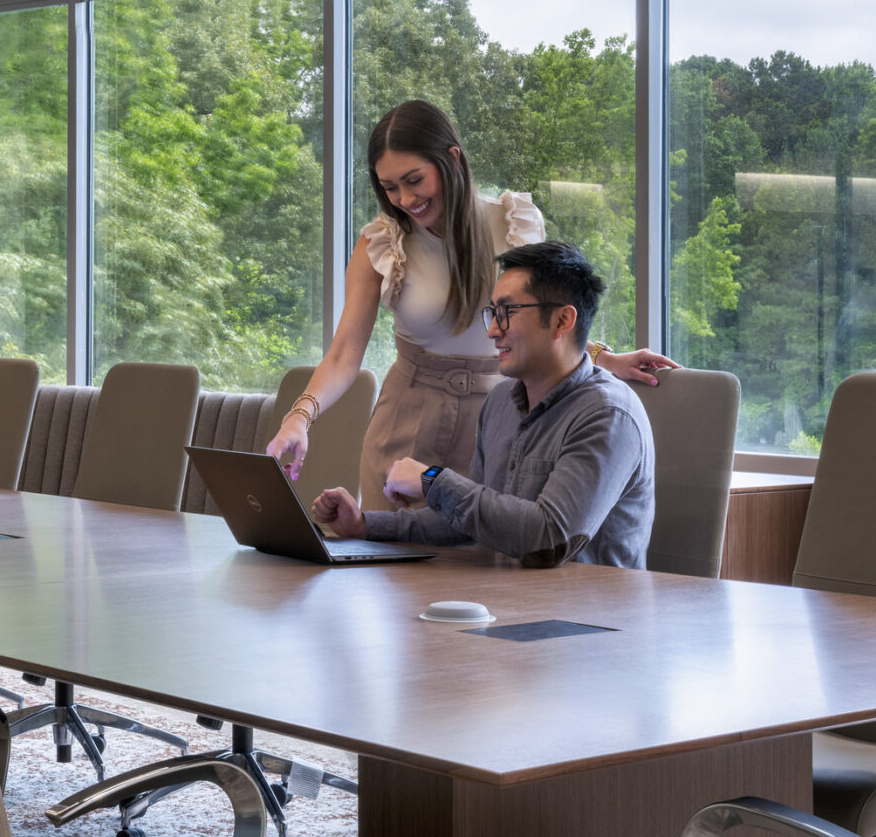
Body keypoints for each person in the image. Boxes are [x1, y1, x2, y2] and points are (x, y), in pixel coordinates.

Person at [264, 99, 675, 505]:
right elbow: (342, 356)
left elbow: (537, 322)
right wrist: (299, 418)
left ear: (452, 160)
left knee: (480, 561)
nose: (405, 199)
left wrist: (604, 358)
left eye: (414, 180)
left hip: (497, 420)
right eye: (389, 187)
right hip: (404, 422)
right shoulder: (382, 242)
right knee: (389, 564)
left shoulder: (514, 224)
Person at [310, 240, 654, 568]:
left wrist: (432, 479)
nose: (492, 331)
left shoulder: (608, 415)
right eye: (493, 313)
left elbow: (548, 540)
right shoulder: (501, 400)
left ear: (563, 321)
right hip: (510, 601)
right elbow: (469, 523)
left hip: (591, 618)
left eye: (508, 313)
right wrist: (364, 525)